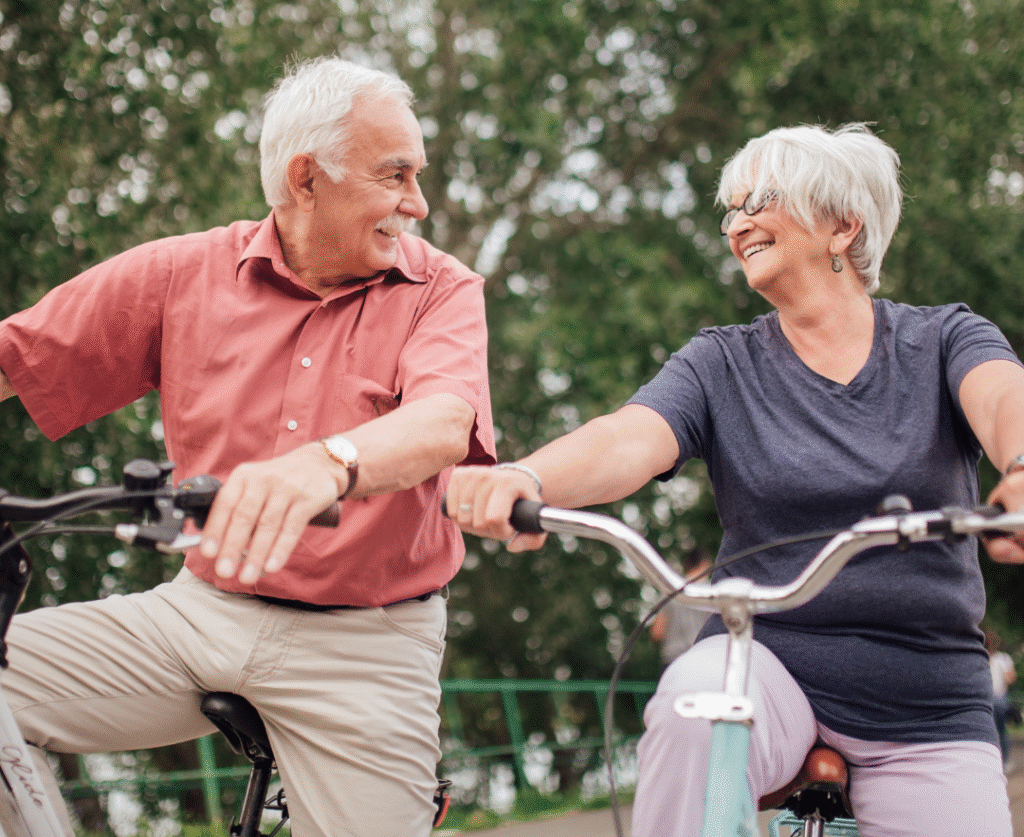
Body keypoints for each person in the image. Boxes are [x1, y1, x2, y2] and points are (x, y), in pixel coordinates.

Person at [446, 123, 1024, 837]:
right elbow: (629, 436)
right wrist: (528, 476)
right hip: (766, 665)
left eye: (761, 199)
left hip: (927, 697)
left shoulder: (943, 340)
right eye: (730, 209)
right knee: (694, 705)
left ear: (844, 226)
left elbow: (1004, 401)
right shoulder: (721, 364)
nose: (738, 222)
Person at [0, 56, 495, 837]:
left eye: (417, 175)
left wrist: (327, 464)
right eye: (396, 175)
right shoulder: (179, 273)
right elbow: (14, 357)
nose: (419, 203)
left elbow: (440, 425)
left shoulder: (441, 289)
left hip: (367, 643)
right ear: (306, 180)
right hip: (198, 615)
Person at [648, 549, 714, 668]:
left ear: (686, 565)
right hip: (704, 659)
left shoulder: (669, 590)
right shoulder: (713, 592)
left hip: (673, 662)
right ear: (705, 563)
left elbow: (657, 633)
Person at [985, 627, 1019, 770]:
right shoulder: (984, 658)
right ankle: (994, 761)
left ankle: (1004, 761)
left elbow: (1012, 677)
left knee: (1000, 730)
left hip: (999, 698)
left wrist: (1008, 677)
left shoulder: (1003, 658)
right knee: (992, 730)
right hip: (986, 699)